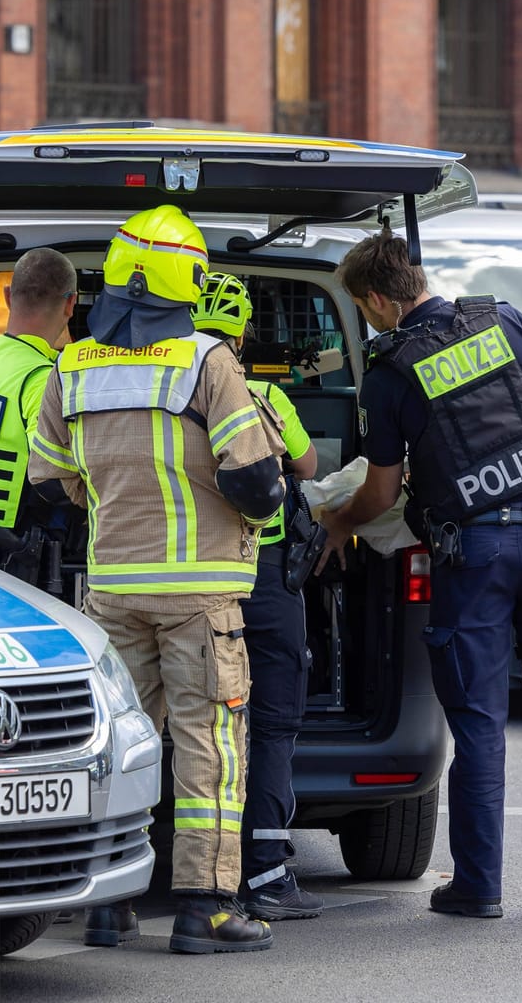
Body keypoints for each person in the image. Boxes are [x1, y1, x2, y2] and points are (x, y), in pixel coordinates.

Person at [27, 206, 289, 955]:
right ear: (188, 281)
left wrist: (112, 503)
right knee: (209, 743)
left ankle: (111, 905)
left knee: (124, 744)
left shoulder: (70, 367)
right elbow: (261, 485)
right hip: (201, 598)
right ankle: (205, 909)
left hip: (112, 591)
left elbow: (48, 484)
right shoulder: (207, 362)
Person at [317, 230, 522, 918]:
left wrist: (338, 522)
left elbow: (380, 495)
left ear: (380, 299)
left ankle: (479, 886)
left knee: (478, 721)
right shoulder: (504, 319)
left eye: (365, 309)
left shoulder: (389, 373)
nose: (370, 321)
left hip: (476, 557)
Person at [191, 272, 325, 922]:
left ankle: (193, 871)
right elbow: (308, 466)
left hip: (198, 575)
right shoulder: (266, 393)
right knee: (273, 725)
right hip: (265, 578)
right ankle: (269, 874)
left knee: (209, 729)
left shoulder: (175, 396)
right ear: (244, 331)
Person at [0, 247, 79, 585]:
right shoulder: (42, 377)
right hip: (12, 550)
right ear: (71, 304)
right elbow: (51, 477)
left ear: (8, 296)